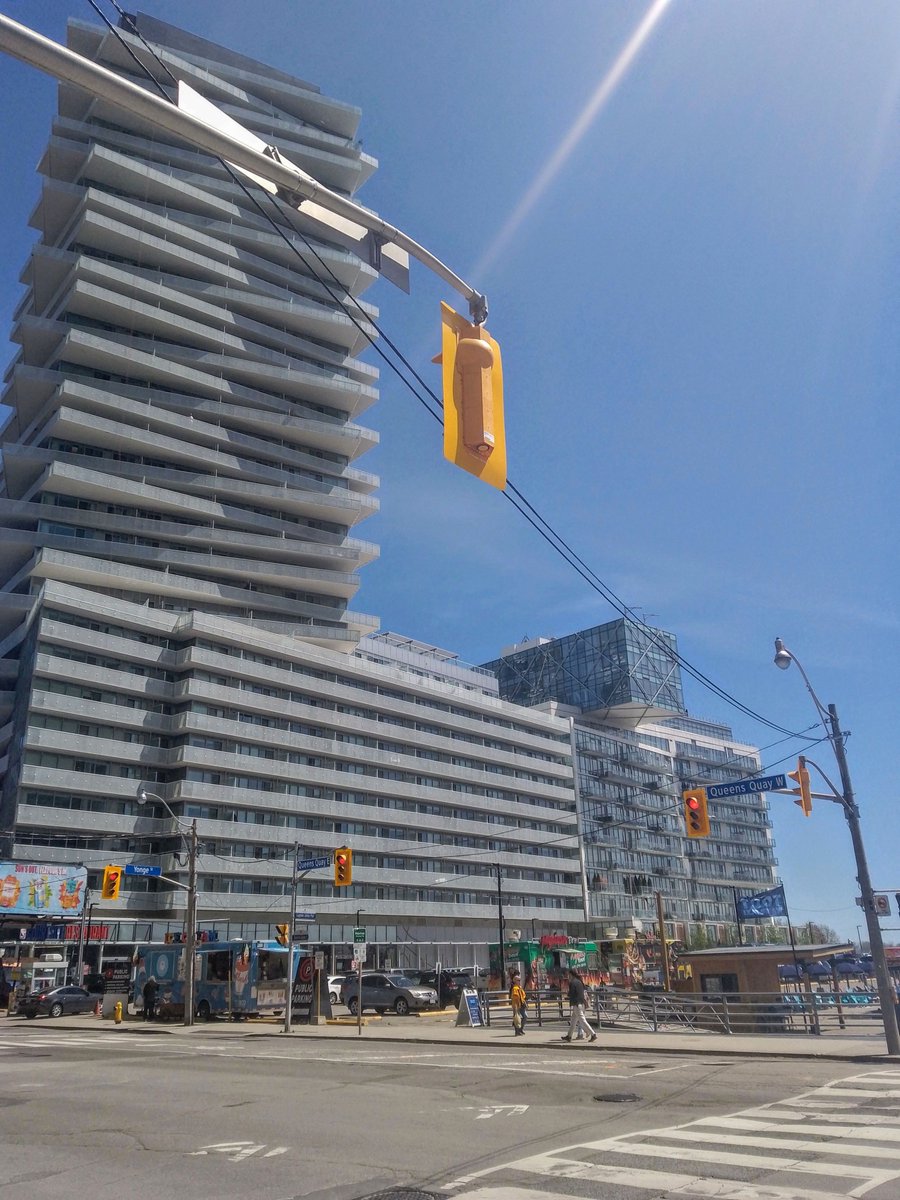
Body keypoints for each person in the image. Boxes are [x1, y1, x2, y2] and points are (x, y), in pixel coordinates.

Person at [561, 968, 596, 1042]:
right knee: (573, 1021)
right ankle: (569, 1036)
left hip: (576, 1004)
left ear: (571, 974)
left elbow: (570, 994)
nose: (568, 976)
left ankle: (593, 1034)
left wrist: (567, 995)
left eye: (568, 974)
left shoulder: (572, 983)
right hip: (581, 1003)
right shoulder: (580, 981)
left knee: (582, 1020)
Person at [509, 971, 527, 1036]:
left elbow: (523, 996)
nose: (519, 981)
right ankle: (517, 1031)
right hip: (516, 1006)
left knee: (524, 1017)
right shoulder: (514, 988)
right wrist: (516, 1007)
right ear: (515, 981)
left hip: (521, 1004)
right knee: (517, 1018)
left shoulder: (520, 987)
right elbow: (514, 999)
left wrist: (524, 1002)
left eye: (520, 980)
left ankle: (520, 1029)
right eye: (518, 980)